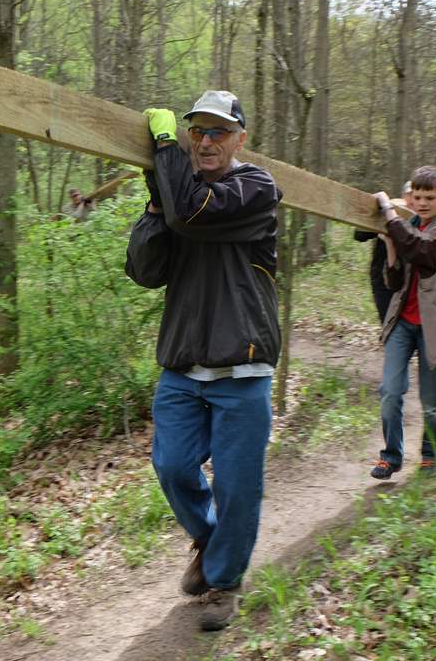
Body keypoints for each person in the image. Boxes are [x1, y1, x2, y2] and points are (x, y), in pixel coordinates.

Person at [125, 90, 281, 631]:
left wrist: (165, 149)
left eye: (218, 131)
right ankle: (211, 541)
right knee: (171, 465)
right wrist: (153, 203)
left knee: (238, 485)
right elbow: (145, 271)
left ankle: (224, 583)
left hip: (243, 364)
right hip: (183, 364)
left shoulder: (255, 188)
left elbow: (194, 213)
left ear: (240, 137)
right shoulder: (178, 194)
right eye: (196, 131)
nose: (206, 141)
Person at [369, 166, 436, 480]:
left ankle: (431, 454)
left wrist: (388, 213)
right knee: (390, 392)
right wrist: (391, 249)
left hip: (435, 323)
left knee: (430, 401)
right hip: (402, 321)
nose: (422, 203)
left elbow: (423, 253)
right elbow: (395, 281)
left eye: (430, 197)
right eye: (418, 197)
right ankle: (391, 456)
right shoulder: (408, 225)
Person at [353, 182, 413, 323]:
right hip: (382, 279)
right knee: (388, 323)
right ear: (404, 195)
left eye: (415, 196)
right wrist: (382, 223)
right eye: (409, 195)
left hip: (407, 282)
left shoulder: (421, 219)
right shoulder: (391, 211)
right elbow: (359, 235)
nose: (412, 199)